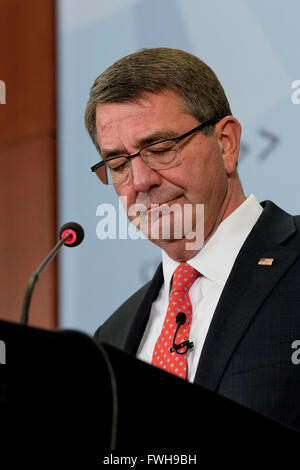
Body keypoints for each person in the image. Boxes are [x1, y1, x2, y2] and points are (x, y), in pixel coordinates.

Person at [85, 48, 300, 431]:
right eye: (117, 164)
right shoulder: (112, 336)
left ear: (226, 143)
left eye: (160, 149)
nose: (139, 181)